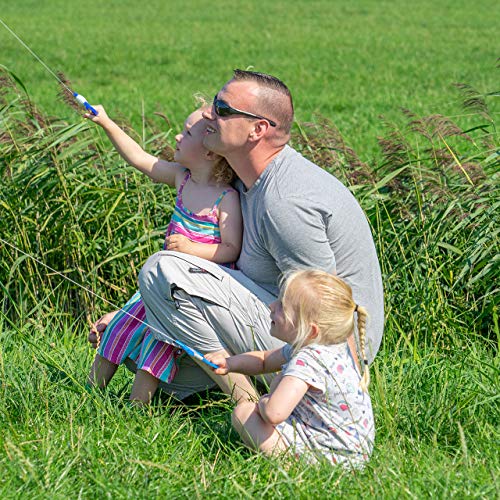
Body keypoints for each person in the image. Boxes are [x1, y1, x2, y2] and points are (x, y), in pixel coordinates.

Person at [89, 69, 384, 403]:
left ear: (257, 130)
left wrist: (343, 390)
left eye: (224, 110)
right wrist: (139, 311)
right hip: (275, 321)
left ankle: (245, 401)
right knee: (139, 352)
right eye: (216, 103)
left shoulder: (284, 202)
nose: (210, 115)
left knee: (162, 269)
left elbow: (325, 306)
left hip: (332, 353)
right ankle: (238, 384)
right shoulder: (243, 183)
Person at [85, 103, 242, 404]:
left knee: (156, 346)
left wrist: (191, 249)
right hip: (158, 286)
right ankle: (89, 395)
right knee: (117, 329)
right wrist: (105, 121)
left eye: (185, 133)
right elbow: (140, 158)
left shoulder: (226, 198)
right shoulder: (182, 179)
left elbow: (231, 249)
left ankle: (136, 409)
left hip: (184, 295)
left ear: (210, 151)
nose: (177, 138)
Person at [205, 270, 375, 467]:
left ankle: (289, 466)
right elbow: (263, 361)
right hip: (353, 453)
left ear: (310, 330)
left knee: (244, 413)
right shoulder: (329, 346)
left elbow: (274, 413)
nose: (271, 306)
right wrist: (230, 363)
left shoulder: (309, 360)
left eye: (282, 307)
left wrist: (263, 401)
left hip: (331, 459)